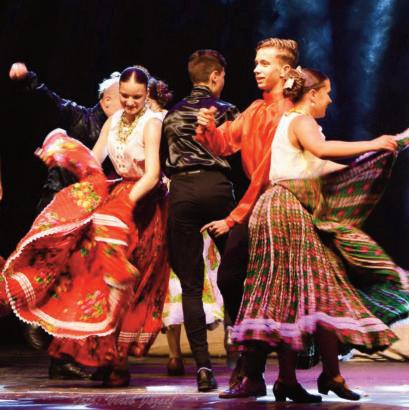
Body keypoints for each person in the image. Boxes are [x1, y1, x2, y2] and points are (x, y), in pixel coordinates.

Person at [227, 67, 409, 403]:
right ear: (312, 95)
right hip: (285, 208)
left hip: (284, 208)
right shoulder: (301, 120)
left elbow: (326, 166)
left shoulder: (296, 124)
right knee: (302, 289)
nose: (330, 99)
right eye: (326, 92)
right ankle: (313, 376)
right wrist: (374, 143)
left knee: (308, 290)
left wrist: (385, 151)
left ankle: (306, 377)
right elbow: (323, 151)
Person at [1, 66, 170, 387]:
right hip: (117, 200)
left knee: (129, 282)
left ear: (146, 94)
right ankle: (105, 357)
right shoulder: (114, 120)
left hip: (144, 203)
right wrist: (68, 160)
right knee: (97, 276)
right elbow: (94, 159)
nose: (130, 103)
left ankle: (118, 361)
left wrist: (127, 202)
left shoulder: (152, 123)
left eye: (136, 97)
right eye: (125, 96)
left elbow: (151, 174)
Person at [196, 38, 298, 398]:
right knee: (232, 278)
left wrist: (234, 218)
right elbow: (224, 144)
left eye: (265, 63)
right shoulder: (256, 109)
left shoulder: (289, 113)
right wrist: (208, 128)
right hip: (257, 205)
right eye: (256, 62)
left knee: (273, 288)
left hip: (278, 204)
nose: (256, 69)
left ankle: (261, 367)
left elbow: (266, 171)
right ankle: (251, 356)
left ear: (286, 71)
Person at [161, 49, 239, 392]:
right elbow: (240, 152)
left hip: (182, 192)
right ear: (215, 77)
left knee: (191, 285)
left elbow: (164, 161)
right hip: (216, 188)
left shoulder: (172, 115)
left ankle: (203, 368)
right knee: (236, 273)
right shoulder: (225, 110)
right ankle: (241, 357)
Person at [9, 62, 121, 210]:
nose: (129, 104)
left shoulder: (129, 130)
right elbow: (49, 101)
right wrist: (27, 79)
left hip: (97, 205)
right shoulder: (79, 117)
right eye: (124, 98)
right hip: (61, 200)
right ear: (107, 100)